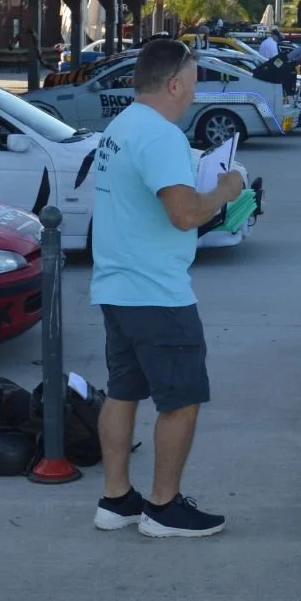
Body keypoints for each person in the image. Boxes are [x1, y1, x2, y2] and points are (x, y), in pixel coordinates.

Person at [90, 39, 247, 539]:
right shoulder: (160, 137)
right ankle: (163, 508)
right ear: (174, 83)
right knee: (180, 401)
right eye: (195, 80)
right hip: (157, 293)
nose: (196, 92)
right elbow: (184, 214)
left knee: (122, 391)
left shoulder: (121, 125)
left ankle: (116, 500)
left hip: (117, 286)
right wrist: (227, 188)